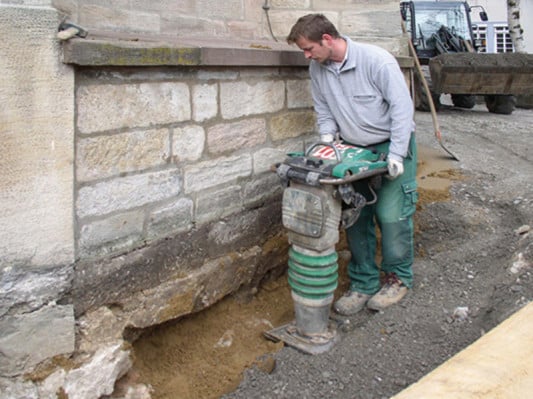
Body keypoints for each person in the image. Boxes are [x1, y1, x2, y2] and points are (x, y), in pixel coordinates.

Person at [287, 14, 418, 315]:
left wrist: (396, 154)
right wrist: (328, 139)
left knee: (391, 214)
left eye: (309, 49)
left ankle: (397, 278)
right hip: (353, 149)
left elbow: (402, 108)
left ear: (327, 40)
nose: (306, 56)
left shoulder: (377, 61)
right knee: (356, 214)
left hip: (390, 143)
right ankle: (363, 282)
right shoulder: (317, 68)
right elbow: (323, 107)